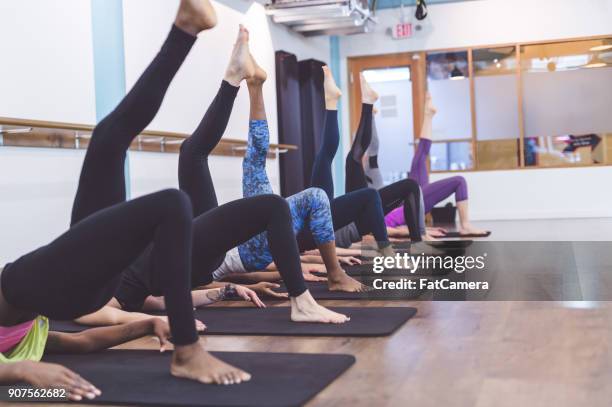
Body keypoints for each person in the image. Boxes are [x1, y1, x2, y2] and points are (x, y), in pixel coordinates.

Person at [1, 0, 252, 387]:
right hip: (55, 292)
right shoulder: (20, 348)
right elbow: (67, 345)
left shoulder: (26, 332)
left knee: (108, 139)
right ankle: (188, 350)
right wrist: (19, 371)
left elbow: (82, 343)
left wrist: (148, 325)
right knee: (172, 203)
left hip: (63, 289)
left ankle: (186, 28)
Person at [77, 26, 352, 325]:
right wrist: (157, 323)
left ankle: (233, 78)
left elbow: (157, 299)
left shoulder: (101, 268)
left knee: (191, 153)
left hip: (183, 249)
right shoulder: (89, 297)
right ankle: (302, 303)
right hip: (186, 254)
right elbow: (96, 314)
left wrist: (230, 290)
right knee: (272, 206)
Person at [235, 54, 369, 293]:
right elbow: (224, 273)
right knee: (319, 189)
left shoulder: (186, 247)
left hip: (247, 235)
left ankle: (253, 85)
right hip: (249, 249)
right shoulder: (191, 261)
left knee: (255, 160)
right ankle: (335, 275)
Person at [384, 93, 490, 237]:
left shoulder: (367, 215)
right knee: (459, 181)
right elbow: (388, 231)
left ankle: (428, 115)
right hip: (413, 207)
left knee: (419, 160)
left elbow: (394, 228)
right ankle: (466, 225)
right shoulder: (364, 224)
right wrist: (420, 231)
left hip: (406, 204)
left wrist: (422, 229)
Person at [342, 72, 423, 244]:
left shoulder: (302, 233)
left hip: (348, 216)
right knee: (359, 159)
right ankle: (367, 105)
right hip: (353, 222)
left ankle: (368, 104)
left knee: (356, 159)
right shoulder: (304, 239)